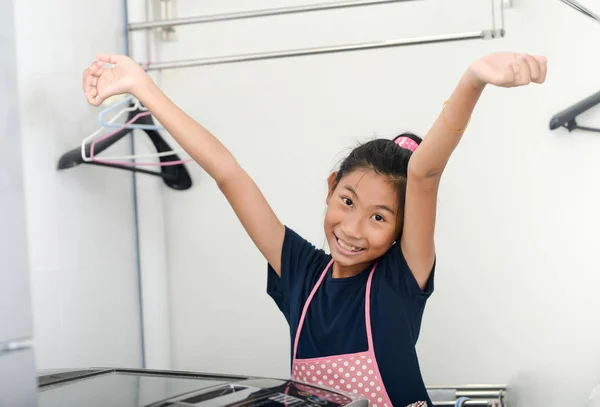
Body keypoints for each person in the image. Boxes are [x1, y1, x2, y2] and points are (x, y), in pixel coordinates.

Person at [82, 51, 547, 406]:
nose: (353, 227)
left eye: (379, 217)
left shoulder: (400, 281)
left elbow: (424, 174)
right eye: (347, 201)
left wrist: (473, 80)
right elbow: (227, 172)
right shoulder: (300, 273)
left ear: (403, 230)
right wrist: (142, 87)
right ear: (331, 189)